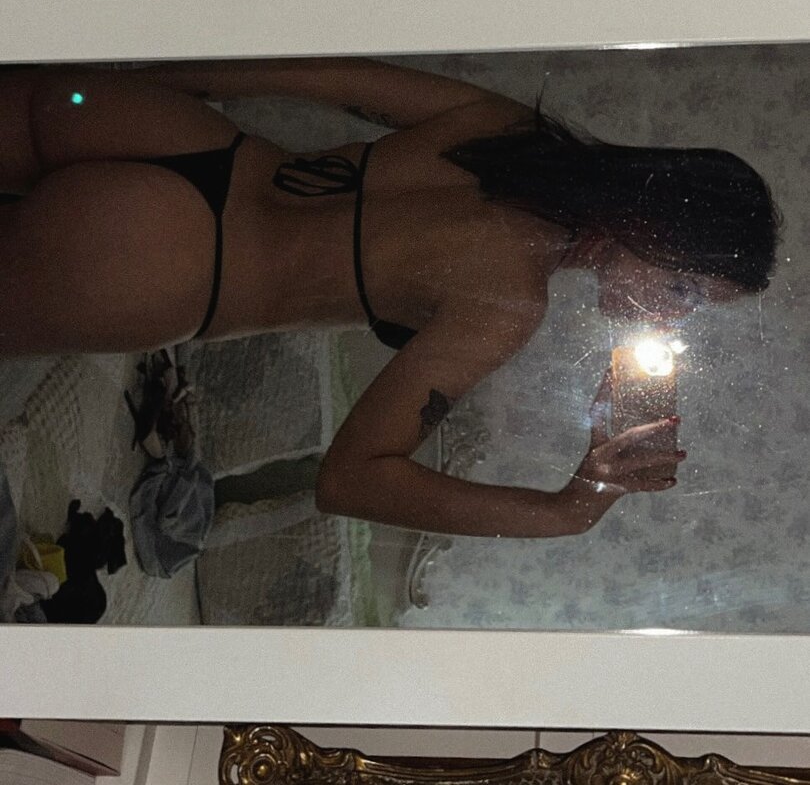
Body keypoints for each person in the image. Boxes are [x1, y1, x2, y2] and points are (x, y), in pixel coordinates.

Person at [0, 58, 779, 538]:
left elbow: (320, 74)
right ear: (657, 227)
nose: (673, 314)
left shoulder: (510, 131)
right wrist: (572, 507)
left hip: (171, 133)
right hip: (165, 263)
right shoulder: (507, 302)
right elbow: (350, 479)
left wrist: (136, 80)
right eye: (684, 287)